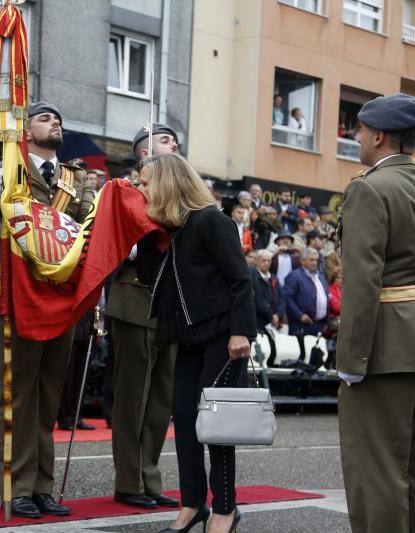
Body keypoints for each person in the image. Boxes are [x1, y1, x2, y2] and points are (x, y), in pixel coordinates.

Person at [337, 93, 415, 532]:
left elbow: (362, 283)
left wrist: (352, 360)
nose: (357, 137)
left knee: (377, 469)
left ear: (380, 136)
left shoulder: (369, 188)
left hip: (382, 349)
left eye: (360, 131)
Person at [0, 101, 94, 519]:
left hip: (60, 299)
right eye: (44, 117)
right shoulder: (9, 169)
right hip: (17, 296)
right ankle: (19, 486)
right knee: (18, 395)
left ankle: (43, 487)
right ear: (26, 131)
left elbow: (87, 235)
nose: (55, 122)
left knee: (48, 397)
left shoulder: (77, 180)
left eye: (59, 118)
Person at [136, 153, 255, 533]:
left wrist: (241, 332)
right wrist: (140, 229)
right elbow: (145, 277)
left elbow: (240, 279)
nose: (141, 188)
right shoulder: (164, 231)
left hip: (223, 335)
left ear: (168, 183)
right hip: (187, 336)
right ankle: (192, 504)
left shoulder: (211, 221)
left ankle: (225, 507)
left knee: (215, 424)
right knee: (185, 420)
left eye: (145, 182)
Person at [107, 123, 180, 510]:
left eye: (175, 141)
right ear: (143, 152)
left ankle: (150, 476)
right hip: (135, 298)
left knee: (160, 400)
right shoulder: (126, 191)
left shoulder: (182, 195)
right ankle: (128, 480)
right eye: (166, 140)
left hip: (169, 306)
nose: (175, 145)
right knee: (133, 397)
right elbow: (108, 242)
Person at [284, 248, 328, 337]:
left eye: (316, 260)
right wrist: (300, 315)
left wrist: (325, 321)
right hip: (301, 325)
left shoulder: (321, 277)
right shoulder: (294, 276)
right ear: (303, 261)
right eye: (311, 260)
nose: (315, 263)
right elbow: (288, 298)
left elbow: (325, 299)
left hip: (319, 324)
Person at [251, 249, 282, 331]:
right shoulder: (252, 276)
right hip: (258, 320)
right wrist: (271, 315)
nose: (266, 263)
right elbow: (258, 299)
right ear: (257, 261)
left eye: (269, 261)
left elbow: (283, 298)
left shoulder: (274, 278)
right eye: (264, 260)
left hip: (275, 321)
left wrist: (278, 315)